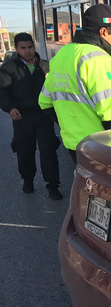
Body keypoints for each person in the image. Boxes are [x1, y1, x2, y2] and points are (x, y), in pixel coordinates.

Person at [39, 4, 111, 165]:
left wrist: (71, 127)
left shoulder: (62, 55)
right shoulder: (101, 61)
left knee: (84, 180)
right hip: (102, 149)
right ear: (103, 32)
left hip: (75, 146)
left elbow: (44, 102)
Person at [0, 33, 62, 199]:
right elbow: (2, 92)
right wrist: (10, 108)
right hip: (22, 117)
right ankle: (28, 180)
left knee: (48, 151)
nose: (27, 51)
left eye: (30, 47)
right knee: (25, 152)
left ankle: (53, 186)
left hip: (44, 116)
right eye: (23, 48)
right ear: (16, 49)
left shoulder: (45, 66)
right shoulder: (8, 68)